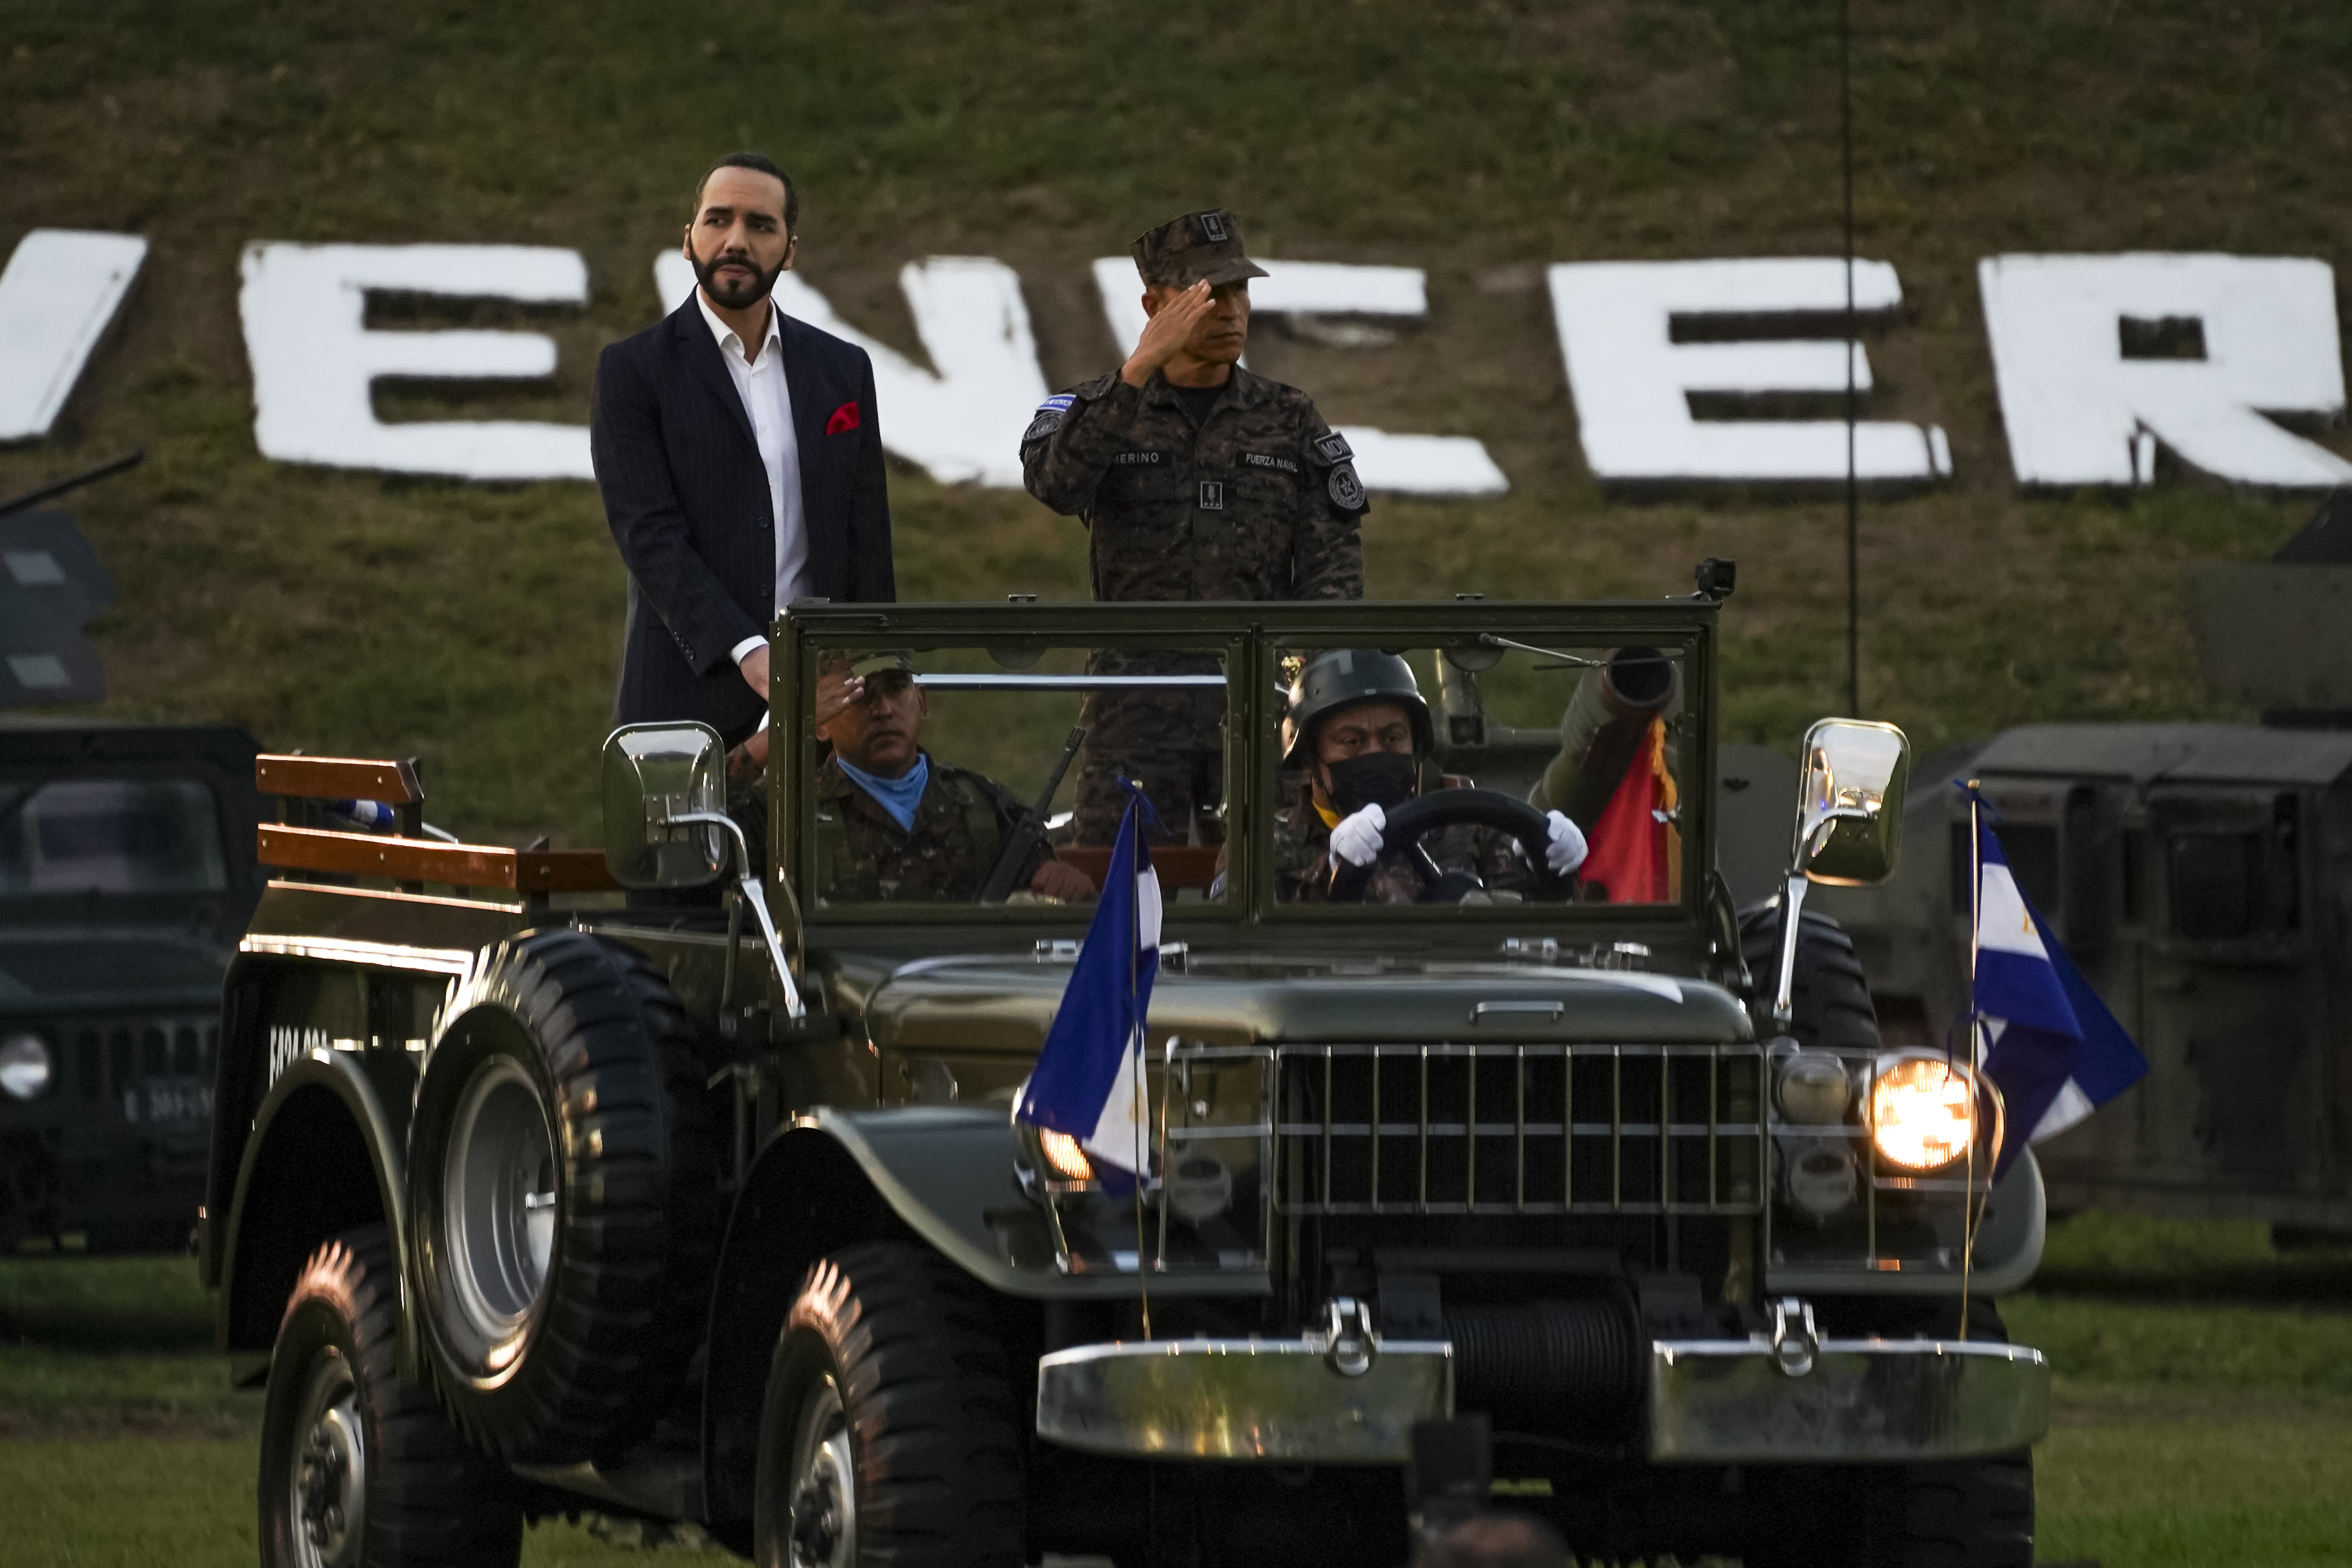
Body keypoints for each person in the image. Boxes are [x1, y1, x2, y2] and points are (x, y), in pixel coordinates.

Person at [1021, 208, 1368, 845]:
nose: (1231, 310)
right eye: (1207, 293)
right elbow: (1055, 484)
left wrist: (1300, 684)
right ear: (1155, 304)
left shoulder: (1289, 417)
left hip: (1262, 713)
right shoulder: (1092, 408)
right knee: (1114, 898)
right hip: (1133, 716)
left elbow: (1334, 571)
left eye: (1240, 290)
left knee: (1278, 887)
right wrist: (1135, 376)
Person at [593, 151, 895, 748]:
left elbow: (867, 537)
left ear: (789, 250)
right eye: (718, 220)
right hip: (679, 704)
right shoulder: (632, 371)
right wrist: (751, 653)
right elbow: (648, 537)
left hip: (823, 706)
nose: (736, 240)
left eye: (760, 226)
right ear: (688, 240)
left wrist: (877, 669)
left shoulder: (843, 371)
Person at [1275, 650, 1588, 905]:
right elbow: (1254, 952)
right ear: (1308, 759)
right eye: (1351, 741)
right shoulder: (1263, 847)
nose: (1375, 753)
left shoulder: (1469, 826)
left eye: (1392, 737)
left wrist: (1550, 867)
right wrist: (1330, 873)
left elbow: (1540, 932)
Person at [809, 654, 1098, 905]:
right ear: (820, 723)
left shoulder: (984, 806)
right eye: (859, 696)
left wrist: (1071, 890)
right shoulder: (791, 812)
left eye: (896, 689)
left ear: (922, 701)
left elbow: (1053, 894)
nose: (883, 711)